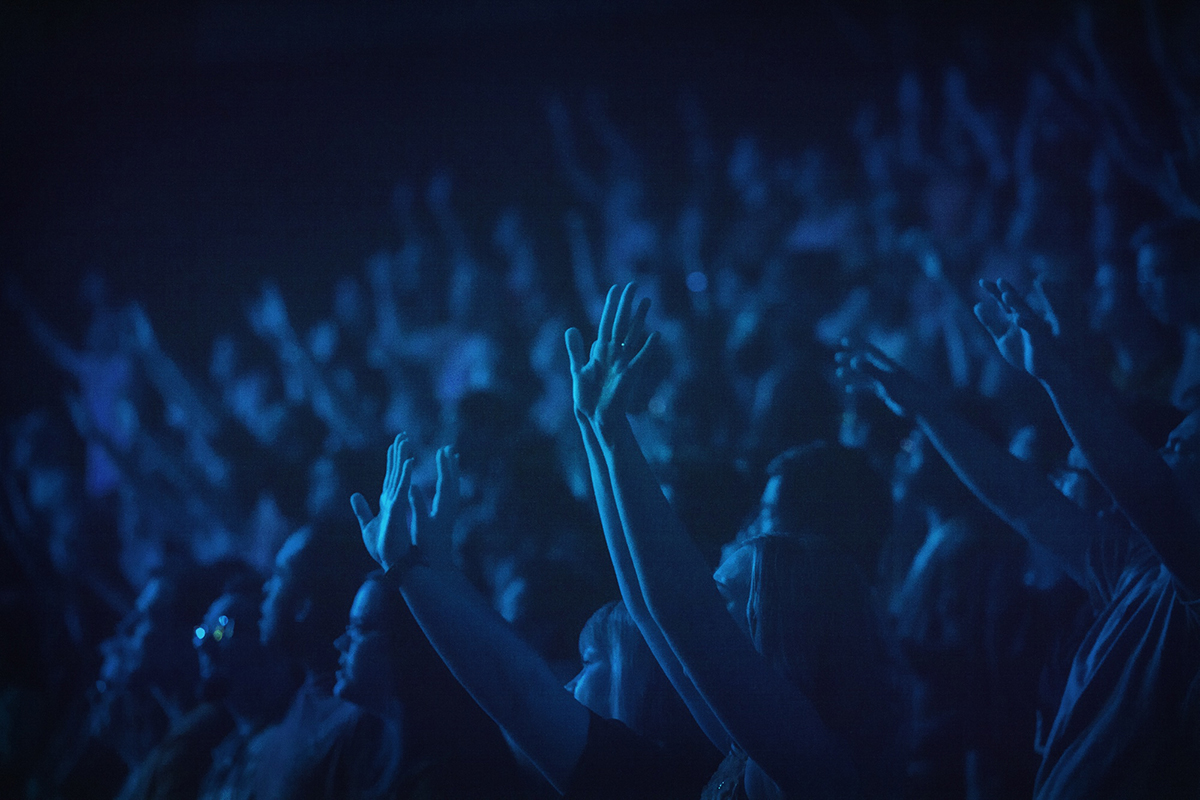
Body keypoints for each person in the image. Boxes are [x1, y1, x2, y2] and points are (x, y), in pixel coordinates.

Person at [565, 283, 900, 799]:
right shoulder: (745, 741)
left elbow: (679, 609)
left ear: (781, 623)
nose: (709, 584)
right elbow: (646, 602)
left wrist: (615, 434)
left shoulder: (812, 758)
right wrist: (594, 428)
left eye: (726, 592)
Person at [349, 437, 719, 798]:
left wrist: (405, 566)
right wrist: (437, 566)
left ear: (640, 684)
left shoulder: (643, 782)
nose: (568, 679)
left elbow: (520, 689)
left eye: (589, 660)